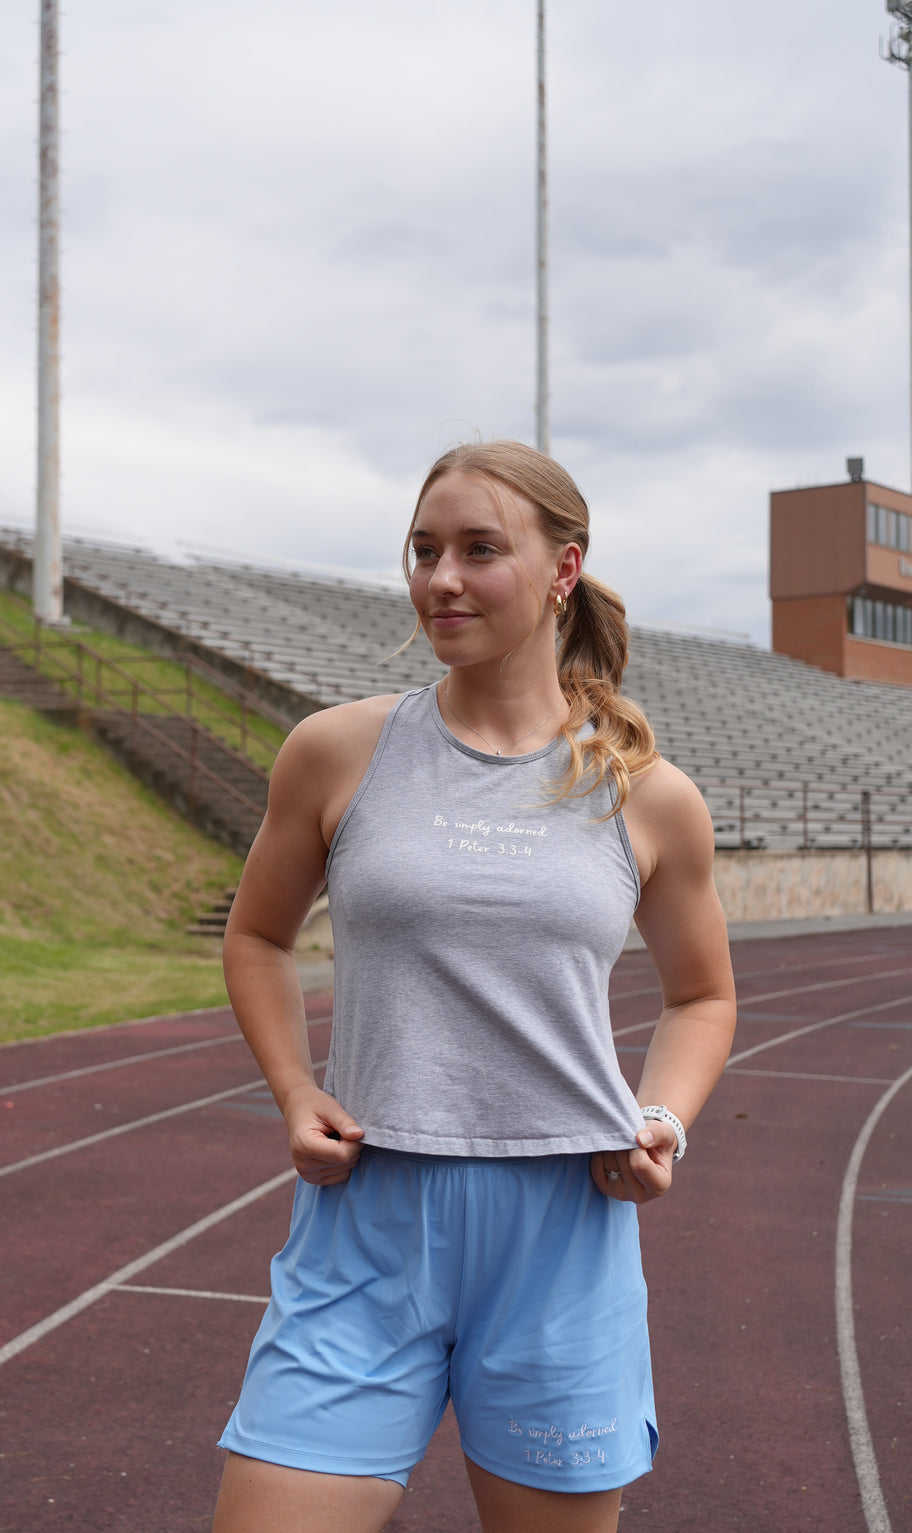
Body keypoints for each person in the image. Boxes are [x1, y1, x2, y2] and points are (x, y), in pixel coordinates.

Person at [211, 440, 736, 1533]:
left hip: (562, 1230)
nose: (440, 578)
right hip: (365, 1220)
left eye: (479, 550)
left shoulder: (648, 796)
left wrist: (664, 1121)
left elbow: (701, 997)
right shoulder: (335, 751)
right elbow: (257, 936)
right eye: (423, 550)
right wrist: (294, 1090)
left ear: (562, 570)